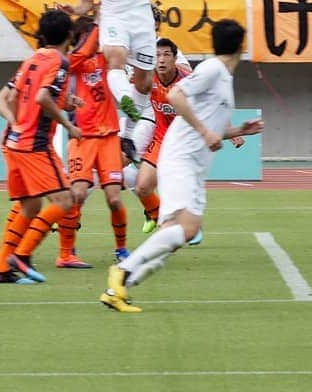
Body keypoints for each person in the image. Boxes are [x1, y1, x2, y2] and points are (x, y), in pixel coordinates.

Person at [100, 19, 263, 313]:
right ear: (241, 45)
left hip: (194, 162)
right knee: (185, 229)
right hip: (181, 158)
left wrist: (239, 130)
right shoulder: (212, 69)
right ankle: (122, 272)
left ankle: (116, 291)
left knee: (174, 236)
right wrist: (204, 132)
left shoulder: (223, 77)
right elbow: (176, 95)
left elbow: (210, 126)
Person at [49, 0, 192, 159]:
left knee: (144, 82)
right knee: (115, 58)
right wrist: (74, 10)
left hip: (140, 13)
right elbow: (86, 4)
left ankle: (128, 135)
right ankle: (126, 99)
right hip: (113, 14)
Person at [0, 9, 80, 284]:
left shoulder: (32, 59)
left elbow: (11, 97)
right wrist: (68, 125)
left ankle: (2, 267)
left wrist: (18, 122)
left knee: (30, 207)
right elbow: (41, 97)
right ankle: (23, 254)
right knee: (65, 200)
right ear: (69, 35)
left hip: (16, 143)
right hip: (36, 144)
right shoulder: (60, 62)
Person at [59, 18, 130, 268]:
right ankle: (66, 253)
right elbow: (84, 51)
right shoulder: (73, 61)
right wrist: (102, 20)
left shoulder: (108, 59)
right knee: (76, 193)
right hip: (83, 137)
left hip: (109, 136)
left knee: (114, 198)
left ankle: (121, 249)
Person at [130, 38, 190, 233]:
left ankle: (191, 225)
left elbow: (212, 100)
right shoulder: (147, 78)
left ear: (175, 58)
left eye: (166, 55)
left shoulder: (188, 81)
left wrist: (230, 130)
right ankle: (160, 220)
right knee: (142, 188)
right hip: (161, 139)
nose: (161, 60)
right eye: (157, 56)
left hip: (184, 144)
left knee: (177, 194)